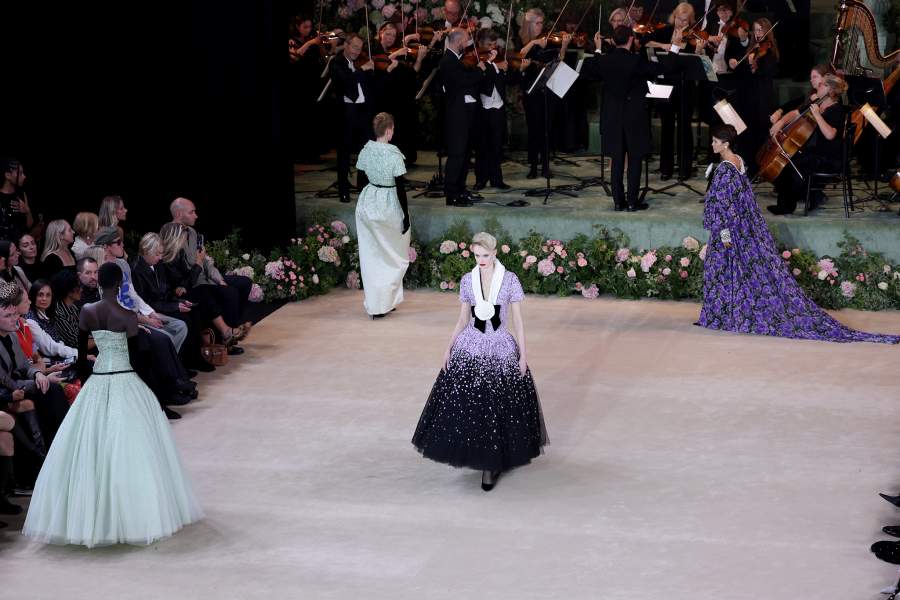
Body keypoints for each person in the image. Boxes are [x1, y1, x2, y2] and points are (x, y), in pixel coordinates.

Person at [23, 262, 203, 547]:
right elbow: (137, 358)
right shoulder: (128, 316)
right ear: (120, 285)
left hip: (97, 380)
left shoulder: (87, 311)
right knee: (133, 448)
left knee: (90, 448)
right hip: (125, 379)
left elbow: (82, 359)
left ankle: (91, 518)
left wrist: (87, 383)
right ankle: (135, 516)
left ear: (97, 284)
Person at [698, 124, 900, 344]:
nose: (712, 144)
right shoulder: (739, 161)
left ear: (725, 144)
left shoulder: (725, 169)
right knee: (740, 270)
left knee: (723, 268)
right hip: (743, 228)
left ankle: (724, 315)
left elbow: (724, 204)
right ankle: (730, 313)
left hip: (728, 231)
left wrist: (725, 237)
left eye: (715, 141)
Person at [412, 232, 547, 492]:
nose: (481, 260)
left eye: (485, 255)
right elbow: (463, 319)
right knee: (469, 406)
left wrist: (524, 355)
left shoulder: (509, 280)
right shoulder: (467, 281)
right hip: (471, 344)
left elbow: (518, 321)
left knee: (497, 405)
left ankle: (491, 464)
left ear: (495, 253)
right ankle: (478, 454)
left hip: (500, 346)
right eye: (477, 255)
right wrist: (448, 347)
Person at [581, 26, 664, 211]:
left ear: (613, 40)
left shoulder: (604, 60)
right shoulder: (636, 60)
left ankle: (618, 202)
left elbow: (588, 70)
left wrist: (597, 49)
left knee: (617, 159)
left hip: (612, 116)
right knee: (634, 159)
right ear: (630, 39)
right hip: (634, 117)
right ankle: (633, 201)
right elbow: (657, 70)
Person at [355, 113, 411, 319]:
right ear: (388, 131)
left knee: (372, 255)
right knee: (394, 254)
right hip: (389, 205)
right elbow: (401, 188)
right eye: (393, 129)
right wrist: (405, 217)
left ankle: (380, 302)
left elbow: (360, 181)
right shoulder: (393, 154)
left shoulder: (365, 151)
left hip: (368, 203)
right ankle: (383, 301)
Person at [766, 72, 847, 215]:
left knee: (792, 166)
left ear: (830, 90)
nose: (818, 87)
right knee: (785, 162)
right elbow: (796, 114)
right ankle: (793, 202)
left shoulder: (837, 109)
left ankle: (793, 203)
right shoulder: (817, 104)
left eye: (821, 85)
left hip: (827, 158)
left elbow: (830, 134)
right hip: (814, 152)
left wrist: (817, 115)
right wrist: (781, 123)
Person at [440, 27, 492, 207]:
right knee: (457, 155)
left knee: (464, 155)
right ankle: (451, 193)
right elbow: (463, 81)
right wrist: (479, 70)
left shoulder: (457, 60)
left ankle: (460, 189)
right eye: (466, 39)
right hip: (457, 116)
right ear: (458, 41)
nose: (468, 43)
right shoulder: (448, 61)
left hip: (465, 114)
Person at [330, 33, 376, 204]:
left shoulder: (359, 63)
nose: (358, 51)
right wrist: (361, 70)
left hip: (363, 112)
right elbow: (345, 82)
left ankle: (363, 187)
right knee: (344, 152)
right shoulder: (337, 63)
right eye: (355, 47)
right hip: (346, 113)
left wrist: (370, 72)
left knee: (366, 151)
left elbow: (368, 87)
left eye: (360, 48)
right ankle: (343, 190)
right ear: (346, 45)